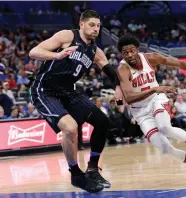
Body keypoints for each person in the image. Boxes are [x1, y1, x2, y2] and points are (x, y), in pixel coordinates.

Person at [29, 10, 122, 193]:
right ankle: (76, 174)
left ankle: (93, 169)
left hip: (68, 93)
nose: (96, 29)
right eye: (92, 25)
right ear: (81, 24)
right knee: (70, 128)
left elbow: (111, 72)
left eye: (98, 26)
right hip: (45, 90)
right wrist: (57, 55)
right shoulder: (67, 36)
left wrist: (118, 87)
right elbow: (34, 52)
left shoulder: (95, 51)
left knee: (102, 121)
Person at [116, 34, 186, 184]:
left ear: (137, 49)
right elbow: (128, 97)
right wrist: (155, 89)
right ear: (121, 54)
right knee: (166, 148)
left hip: (156, 99)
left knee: (165, 127)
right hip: (140, 111)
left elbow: (180, 64)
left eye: (132, 51)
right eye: (125, 53)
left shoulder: (150, 58)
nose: (129, 55)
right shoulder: (123, 69)